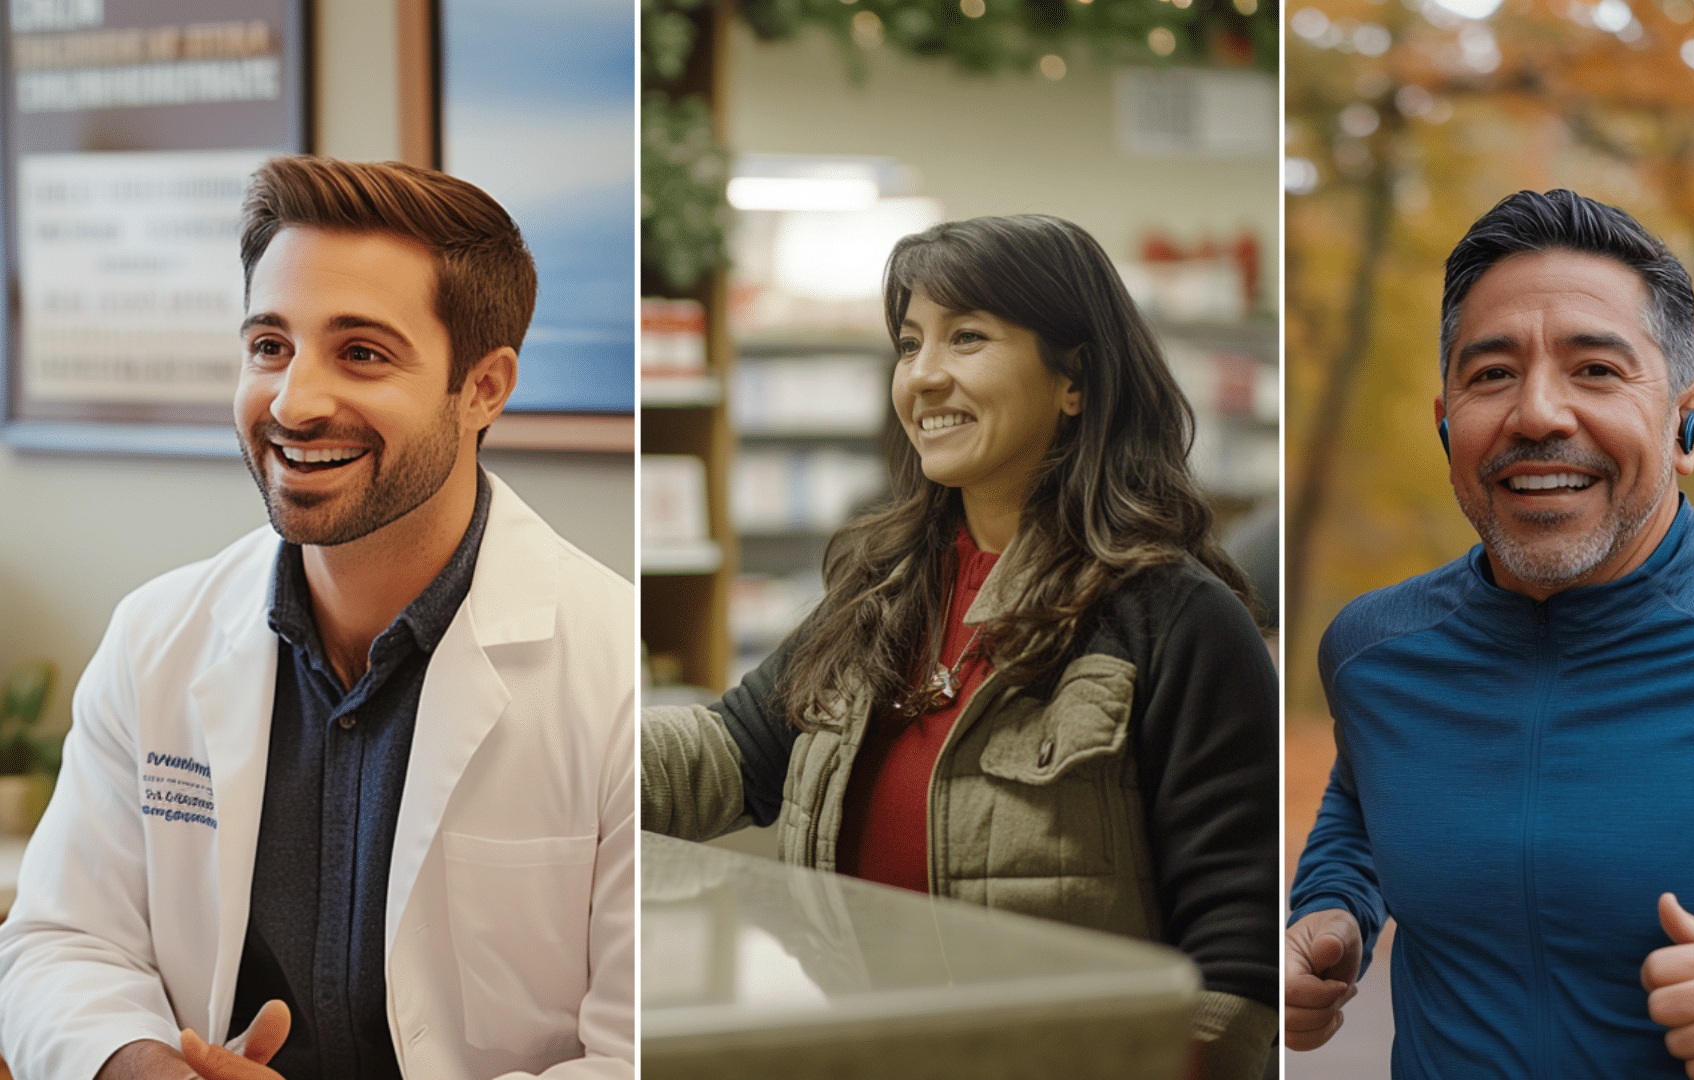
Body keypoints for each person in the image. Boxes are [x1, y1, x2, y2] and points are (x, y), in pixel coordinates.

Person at [0, 157, 634, 1080]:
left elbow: (633, 1056)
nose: (294, 402)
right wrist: (143, 1066)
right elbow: (58, 942)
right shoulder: (155, 640)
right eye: (270, 346)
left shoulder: (609, 668)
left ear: (485, 388)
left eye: (362, 353)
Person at [1286, 188, 1694, 1078]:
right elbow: (1363, 797)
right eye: (1492, 373)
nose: (1538, 413)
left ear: (1687, 423)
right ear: (1446, 426)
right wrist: (1332, 907)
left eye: (1596, 370)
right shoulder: (1373, 653)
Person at [642, 214, 1279, 1079]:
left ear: (1076, 381)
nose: (924, 376)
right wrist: (543, 741)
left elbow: (1234, 971)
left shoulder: (1175, 619)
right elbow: (721, 755)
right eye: (910, 345)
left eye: (967, 338)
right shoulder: (877, 595)